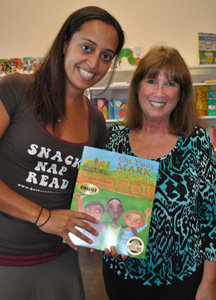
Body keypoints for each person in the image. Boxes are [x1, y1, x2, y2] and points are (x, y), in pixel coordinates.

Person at [0, 6, 125, 300]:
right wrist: (43, 217)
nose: (94, 63)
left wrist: (108, 232)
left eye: (106, 56)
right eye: (87, 47)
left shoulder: (96, 121)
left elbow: (89, 194)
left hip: (59, 261)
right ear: (65, 42)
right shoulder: (16, 89)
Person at [102, 46, 216, 300]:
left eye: (171, 84)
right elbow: (102, 202)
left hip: (181, 277)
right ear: (137, 87)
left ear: (181, 93)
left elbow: (211, 216)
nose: (159, 92)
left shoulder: (196, 141)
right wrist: (103, 236)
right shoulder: (114, 139)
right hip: (123, 274)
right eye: (152, 80)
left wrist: (209, 282)